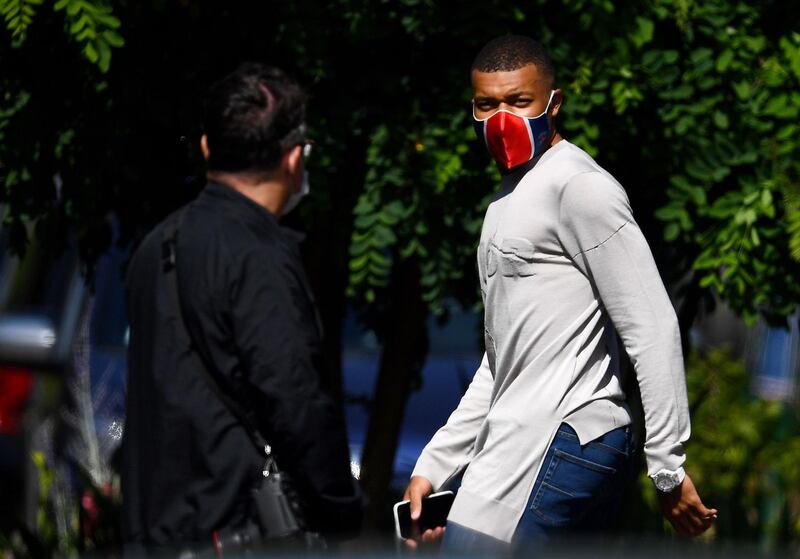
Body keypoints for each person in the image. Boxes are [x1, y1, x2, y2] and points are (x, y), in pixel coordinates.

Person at [403, 35, 717, 552]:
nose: (502, 118)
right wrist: (435, 465)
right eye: (487, 105)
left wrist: (666, 466)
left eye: (519, 102)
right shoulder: (504, 204)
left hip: (563, 436)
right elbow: (503, 360)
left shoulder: (579, 186)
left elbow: (651, 323)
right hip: (527, 441)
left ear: (554, 102)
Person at [121, 63, 361, 554]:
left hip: (154, 533)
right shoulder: (261, 258)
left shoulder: (155, 246)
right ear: (295, 158)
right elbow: (294, 400)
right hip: (240, 534)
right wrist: (341, 506)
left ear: (207, 147)